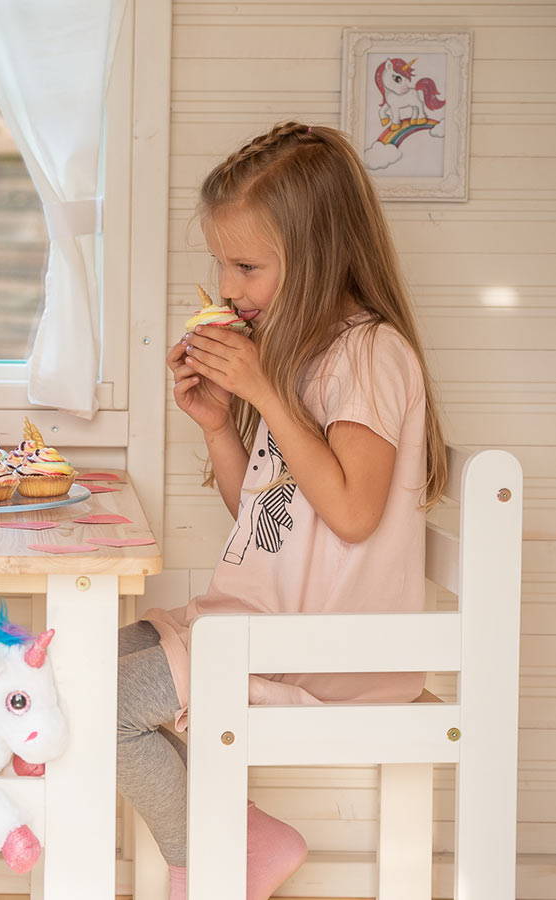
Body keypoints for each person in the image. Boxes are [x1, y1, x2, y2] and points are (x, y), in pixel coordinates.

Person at [117, 121, 448, 899]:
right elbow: (263, 520)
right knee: (92, 662)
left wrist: (264, 392)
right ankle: (242, 836)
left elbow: (353, 514)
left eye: (246, 266)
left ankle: (212, 858)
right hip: (271, 620)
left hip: (329, 652)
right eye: (222, 264)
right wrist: (218, 423)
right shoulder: (304, 352)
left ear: (318, 253)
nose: (228, 287)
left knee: (106, 705)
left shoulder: (369, 355)